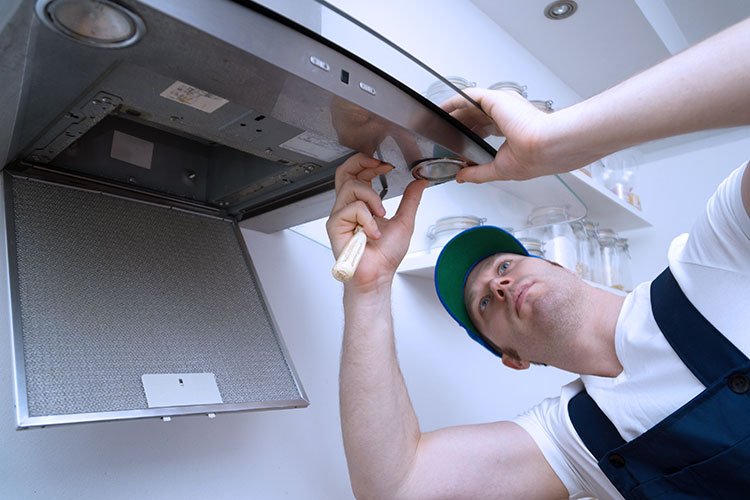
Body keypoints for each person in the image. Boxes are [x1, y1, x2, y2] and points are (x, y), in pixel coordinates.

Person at [326, 16, 750, 500]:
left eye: (504, 266)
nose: (499, 286)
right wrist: (368, 286)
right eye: (484, 303)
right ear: (514, 359)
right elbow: (394, 489)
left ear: (558, 265)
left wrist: (554, 140)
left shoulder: (716, 261)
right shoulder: (572, 440)